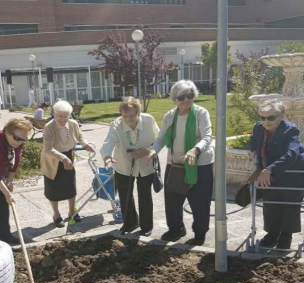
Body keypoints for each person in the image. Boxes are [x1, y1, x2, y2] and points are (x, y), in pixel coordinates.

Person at [153, 80, 214, 245]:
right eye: (182, 97)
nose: (187, 99)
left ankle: (199, 235)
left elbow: (207, 136)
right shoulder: (169, 116)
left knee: (199, 202)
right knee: (172, 200)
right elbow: (160, 139)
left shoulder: (201, 113)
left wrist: (195, 150)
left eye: (190, 95)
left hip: (199, 165)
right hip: (175, 164)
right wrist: (153, 151)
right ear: (174, 99)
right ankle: (176, 229)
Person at [249, 100, 304, 249]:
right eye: (262, 117)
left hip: (292, 172)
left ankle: (286, 235)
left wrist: (269, 169)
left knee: (289, 203)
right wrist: (253, 149)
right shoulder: (258, 127)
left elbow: (292, 154)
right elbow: (254, 140)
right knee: (270, 202)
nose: (265, 121)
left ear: (282, 116)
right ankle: (272, 233)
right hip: (269, 171)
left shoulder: (290, 130)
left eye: (270, 118)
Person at [100, 97, 159, 236]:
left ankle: (146, 226)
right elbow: (109, 141)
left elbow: (160, 139)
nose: (128, 119)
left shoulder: (149, 120)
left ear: (138, 113)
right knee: (125, 195)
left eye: (132, 115)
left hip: (146, 163)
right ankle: (130, 222)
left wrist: (149, 150)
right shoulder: (116, 124)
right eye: (125, 116)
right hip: (123, 164)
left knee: (145, 195)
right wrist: (107, 155)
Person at [41, 100, 94, 227]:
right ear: (54, 114)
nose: (63, 119)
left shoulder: (73, 123)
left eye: (66, 116)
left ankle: (72, 213)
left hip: (68, 156)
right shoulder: (49, 127)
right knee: (53, 189)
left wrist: (85, 144)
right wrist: (63, 158)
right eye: (60, 116)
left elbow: (80, 137)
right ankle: (56, 215)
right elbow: (47, 148)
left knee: (71, 187)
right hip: (52, 159)